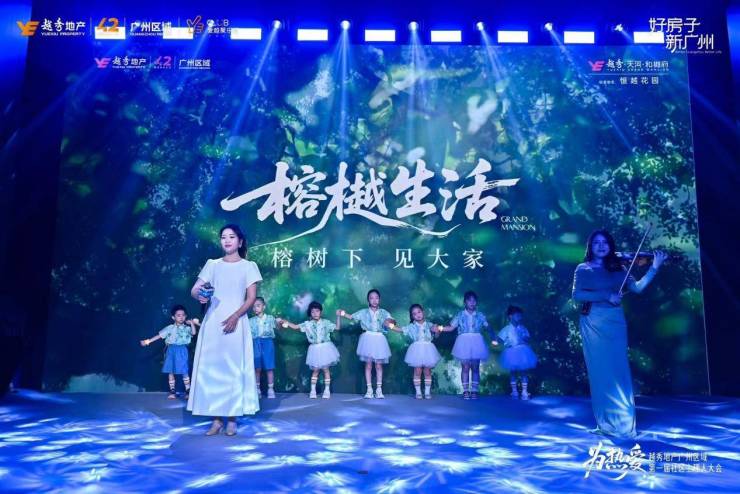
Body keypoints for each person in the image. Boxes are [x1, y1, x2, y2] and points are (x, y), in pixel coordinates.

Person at [572, 229, 666, 438]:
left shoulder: (620, 267)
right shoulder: (583, 268)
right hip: (593, 322)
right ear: (590, 246)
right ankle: (605, 423)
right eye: (596, 242)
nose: (601, 246)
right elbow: (577, 295)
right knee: (599, 371)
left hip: (614, 322)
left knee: (618, 369)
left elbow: (638, 288)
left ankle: (623, 425)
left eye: (605, 242)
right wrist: (606, 295)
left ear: (610, 246)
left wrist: (654, 267)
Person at [187, 224, 263, 436]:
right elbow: (195, 289)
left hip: (237, 322)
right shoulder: (212, 264)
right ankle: (216, 419)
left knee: (233, 369)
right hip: (213, 323)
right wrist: (200, 296)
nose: (227, 240)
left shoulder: (249, 266)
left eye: (231, 237)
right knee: (214, 369)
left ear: (240, 241)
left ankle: (232, 418)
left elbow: (251, 298)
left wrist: (236, 316)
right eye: (223, 237)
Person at [140, 304, 199, 399]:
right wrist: (148, 341)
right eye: (178, 315)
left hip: (182, 350)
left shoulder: (187, 328)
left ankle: (188, 391)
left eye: (183, 315)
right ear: (173, 317)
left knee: (184, 370)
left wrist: (192, 323)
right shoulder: (169, 328)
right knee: (170, 371)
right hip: (171, 350)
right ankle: (172, 391)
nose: (181, 317)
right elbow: (159, 336)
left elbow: (193, 333)